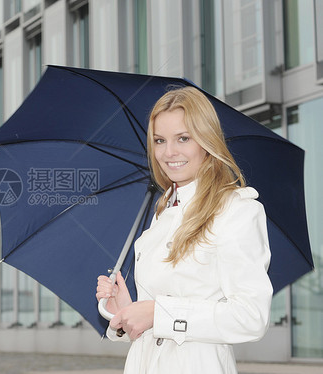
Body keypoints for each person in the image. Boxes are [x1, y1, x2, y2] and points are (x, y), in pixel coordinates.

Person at [95, 86, 273, 374]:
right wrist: (125, 309)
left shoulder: (236, 210)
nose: (169, 152)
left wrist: (158, 313)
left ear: (206, 141)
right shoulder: (161, 212)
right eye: (159, 140)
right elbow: (153, 326)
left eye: (183, 138)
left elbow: (250, 318)